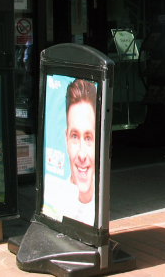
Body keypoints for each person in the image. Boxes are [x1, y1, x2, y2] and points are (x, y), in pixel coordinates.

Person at [65, 78, 97, 225]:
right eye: (75, 137)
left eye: (89, 138)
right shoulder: (56, 202)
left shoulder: (102, 200)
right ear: (66, 140)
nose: (82, 155)